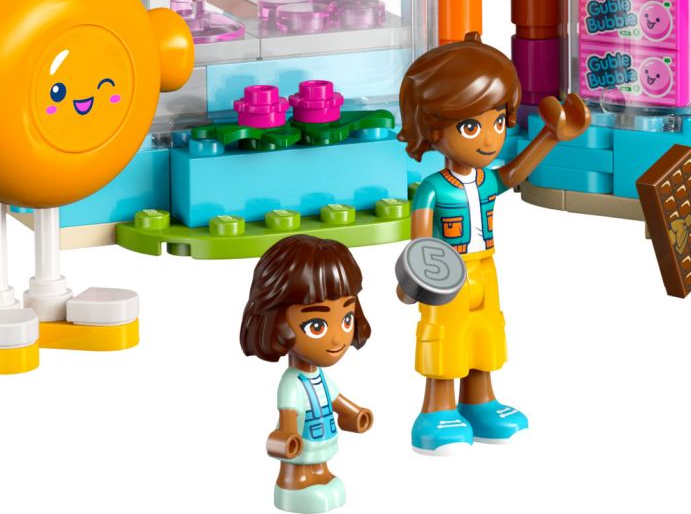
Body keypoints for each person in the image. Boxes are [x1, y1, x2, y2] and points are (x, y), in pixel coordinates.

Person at [398, 33, 589, 454]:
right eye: (471, 126)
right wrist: (413, 282)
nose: (490, 139)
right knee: (445, 338)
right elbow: (419, 243)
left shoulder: (487, 180)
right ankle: (436, 412)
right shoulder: (432, 189)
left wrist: (552, 135)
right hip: (445, 274)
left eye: (498, 121)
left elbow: (515, 173)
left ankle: (480, 402)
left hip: (486, 268)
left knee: (485, 333)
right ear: (433, 127)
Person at [240, 235, 374, 513]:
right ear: (278, 323)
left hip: (321, 437)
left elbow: (336, 400)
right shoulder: (292, 383)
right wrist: (288, 436)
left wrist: (355, 413)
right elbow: (289, 414)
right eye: (317, 326)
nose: (337, 338)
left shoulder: (320, 377)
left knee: (323, 471)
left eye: (346, 319)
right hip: (301, 443)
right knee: (300, 467)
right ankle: (292, 484)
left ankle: (320, 474)